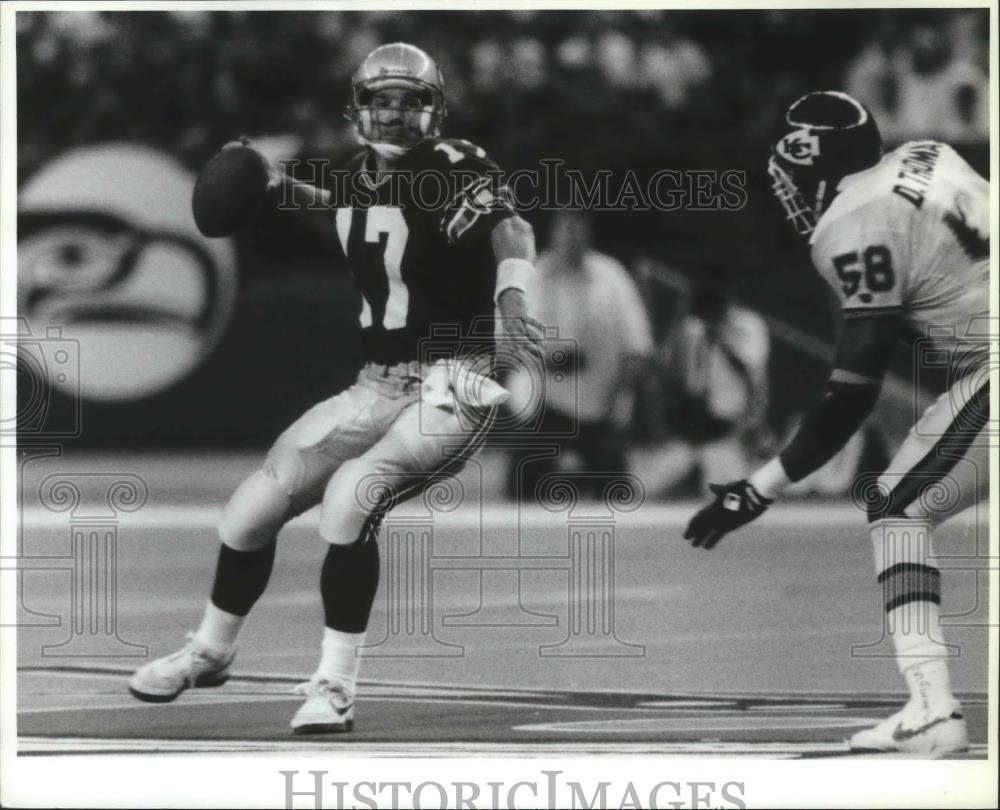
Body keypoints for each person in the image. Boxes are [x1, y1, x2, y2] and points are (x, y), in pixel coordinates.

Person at [128, 43, 540, 734]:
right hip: (375, 385)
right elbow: (361, 210)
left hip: (453, 381)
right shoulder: (357, 173)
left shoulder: (454, 164)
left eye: (412, 101)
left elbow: (512, 227)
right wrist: (275, 188)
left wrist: (515, 301)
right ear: (360, 106)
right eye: (383, 100)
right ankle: (210, 650)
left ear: (434, 110)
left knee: (350, 503)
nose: (396, 114)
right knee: (251, 510)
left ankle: (334, 685)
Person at [683, 91, 988, 755]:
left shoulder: (853, 220)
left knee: (897, 509)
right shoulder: (927, 153)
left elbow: (852, 391)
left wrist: (759, 486)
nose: (790, 195)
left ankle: (933, 711)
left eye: (793, 177)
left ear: (814, 165)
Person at [505, 209, 652, 500]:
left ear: (588, 233)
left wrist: (623, 404)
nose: (571, 237)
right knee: (521, 489)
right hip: (544, 405)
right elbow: (505, 345)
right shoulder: (529, 276)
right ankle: (558, 478)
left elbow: (637, 348)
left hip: (599, 406)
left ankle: (574, 480)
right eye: (565, 228)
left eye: (578, 228)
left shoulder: (612, 277)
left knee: (616, 492)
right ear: (552, 233)